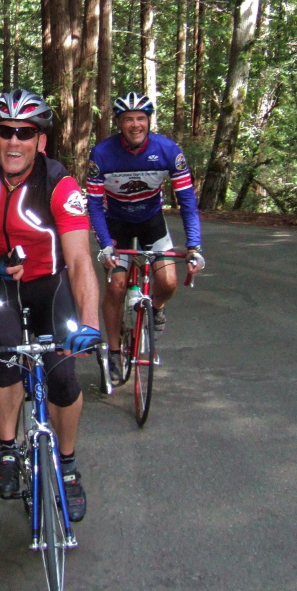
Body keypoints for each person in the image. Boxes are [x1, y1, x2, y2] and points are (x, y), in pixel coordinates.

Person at [0, 88, 102, 522]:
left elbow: (79, 260)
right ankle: (7, 451)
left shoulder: (60, 185)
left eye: (25, 133)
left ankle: (67, 468)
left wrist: (89, 324)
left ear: (41, 141)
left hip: (50, 284)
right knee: (4, 357)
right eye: (6, 131)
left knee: (63, 376)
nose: (14, 141)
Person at [86, 92, 205, 381]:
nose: (135, 124)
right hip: (116, 223)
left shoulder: (168, 150)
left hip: (151, 221)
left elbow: (187, 201)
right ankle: (115, 353)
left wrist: (194, 245)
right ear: (119, 123)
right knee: (116, 287)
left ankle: (157, 310)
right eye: (128, 119)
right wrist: (106, 244)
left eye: (141, 118)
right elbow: (94, 205)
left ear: (149, 121)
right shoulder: (102, 154)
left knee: (168, 282)